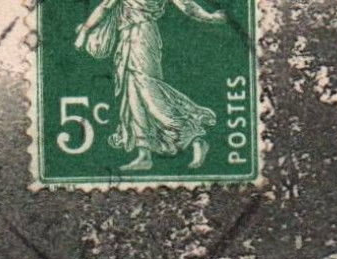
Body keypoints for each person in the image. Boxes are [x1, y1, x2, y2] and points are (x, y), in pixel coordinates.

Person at [74, 0, 226, 172]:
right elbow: (104, 7)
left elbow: (186, 5)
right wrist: (84, 31)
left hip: (144, 36)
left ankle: (194, 137)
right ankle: (144, 155)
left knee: (149, 92)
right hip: (126, 38)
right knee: (132, 95)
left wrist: (210, 17)